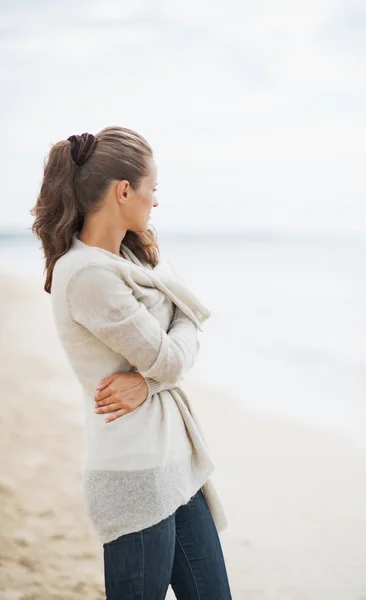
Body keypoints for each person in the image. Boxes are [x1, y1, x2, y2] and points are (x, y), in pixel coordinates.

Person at [31, 126, 233, 599]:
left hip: (176, 466)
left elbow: (169, 358)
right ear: (124, 191)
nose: (156, 202)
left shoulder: (131, 261)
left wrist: (149, 382)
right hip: (134, 475)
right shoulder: (86, 275)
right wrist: (173, 342)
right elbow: (171, 357)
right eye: (152, 190)